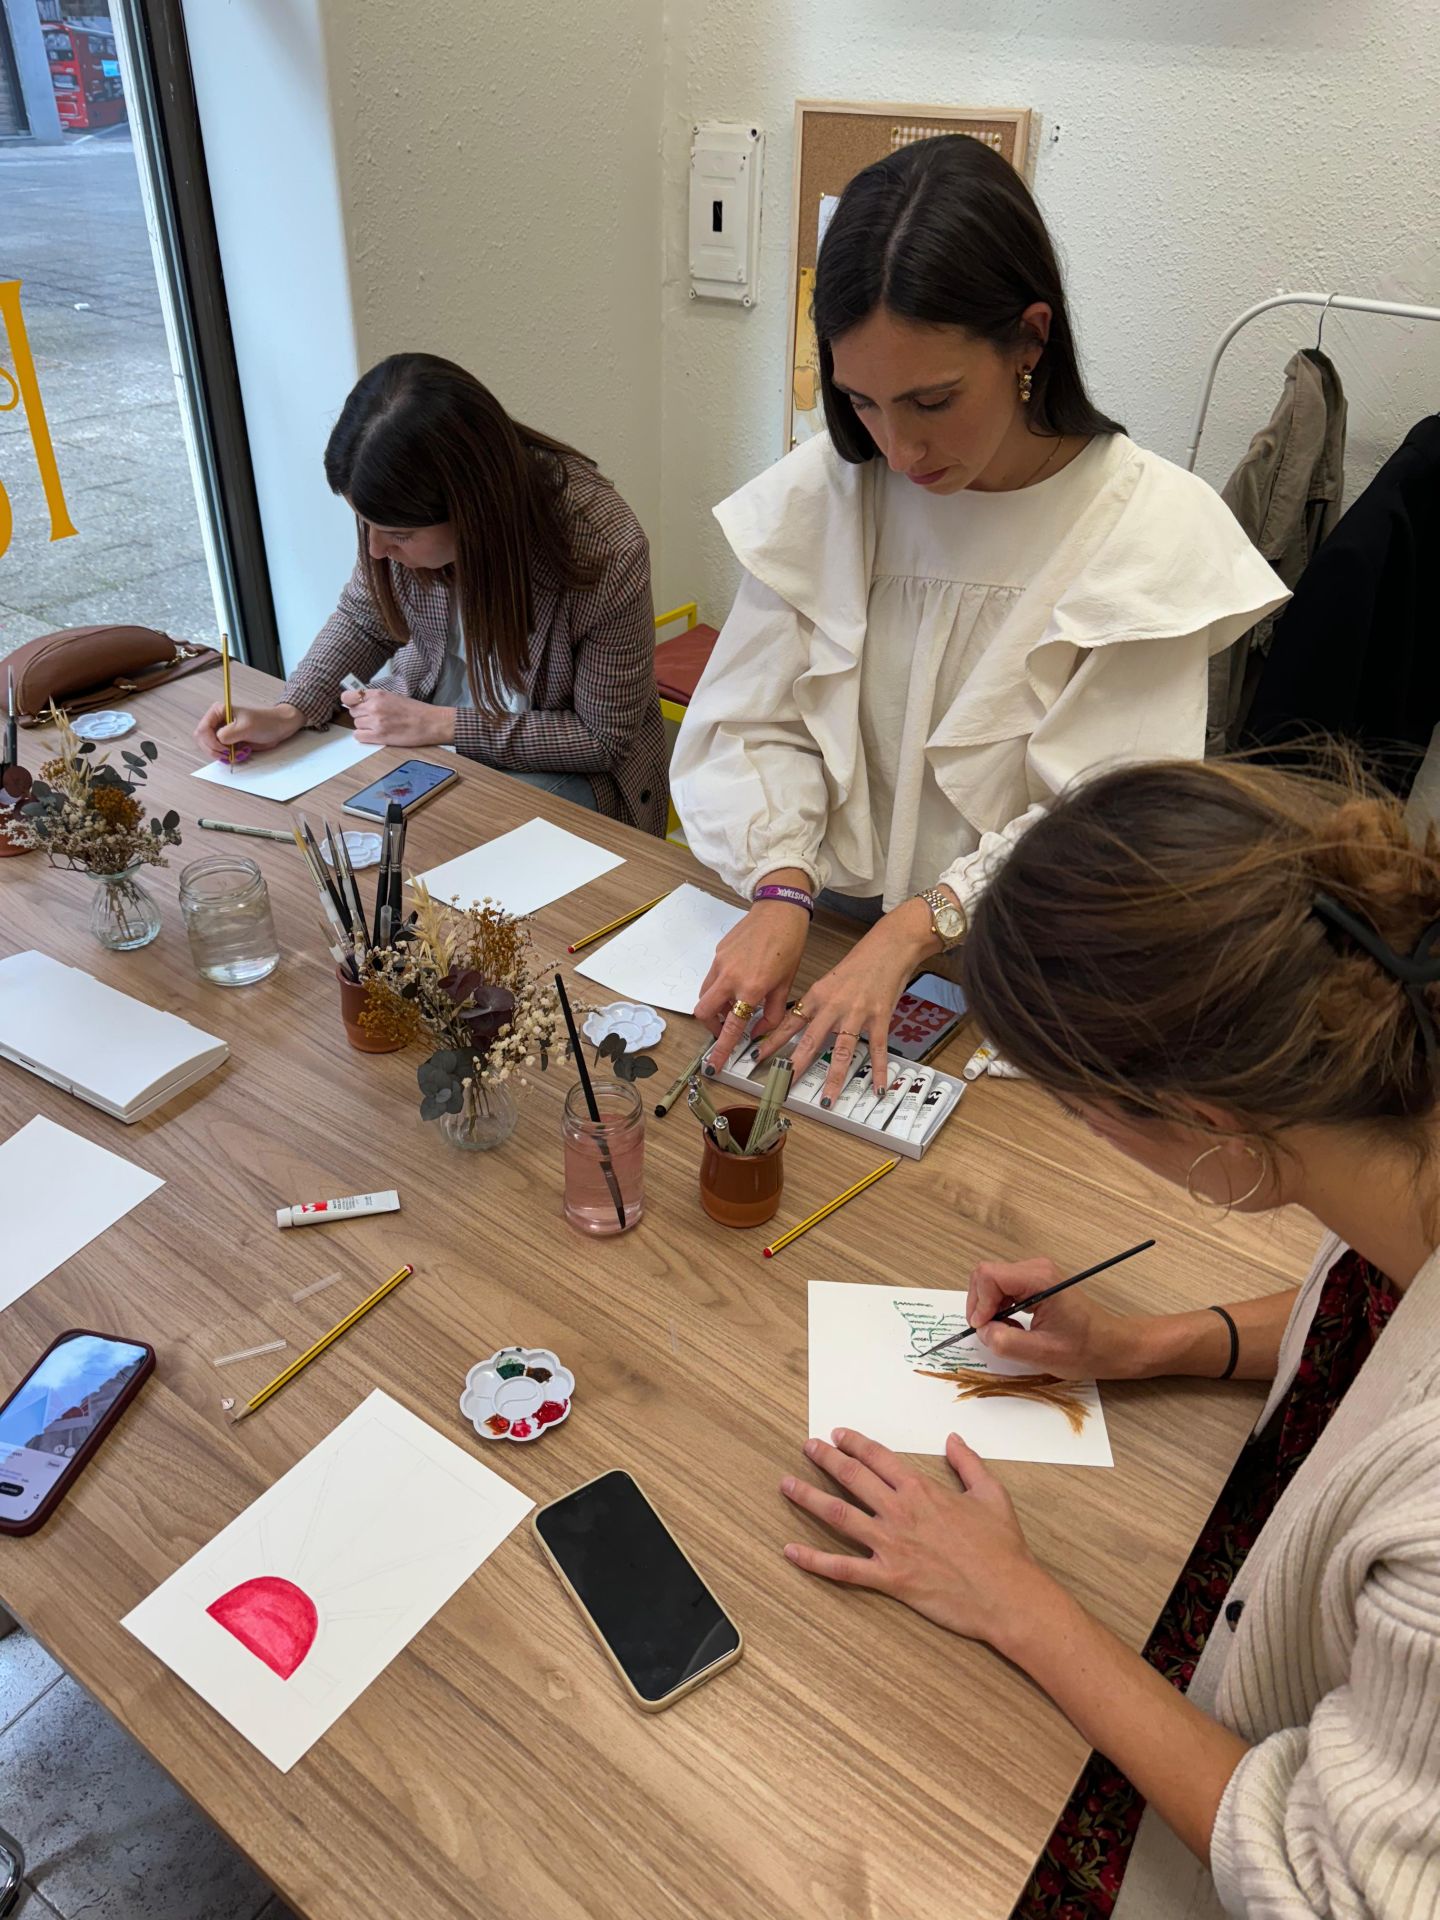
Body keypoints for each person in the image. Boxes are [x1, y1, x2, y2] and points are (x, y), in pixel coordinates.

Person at [780, 754, 1440, 1918]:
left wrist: (1014, 1599)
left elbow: (1338, 1888)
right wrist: (1140, 1348)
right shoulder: (1402, 1128)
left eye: (1080, 1112)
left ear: (1204, 1126)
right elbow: (1379, 1307)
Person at [673, 136, 1286, 1103]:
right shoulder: (838, 493)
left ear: (1030, 340)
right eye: (862, 401)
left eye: (933, 399)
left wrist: (921, 924)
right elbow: (756, 722)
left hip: (1032, 971)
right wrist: (782, 882)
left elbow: (1108, 817)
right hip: (828, 928)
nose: (900, 445)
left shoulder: (1142, 531)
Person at [195, 354, 668, 834]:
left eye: (397, 535)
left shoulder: (604, 550)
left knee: (435, 845)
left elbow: (599, 739)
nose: (377, 550)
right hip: (427, 727)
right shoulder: (393, 514)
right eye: (367, 527)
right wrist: (289, 710)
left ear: (472, 510)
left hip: (568, 766)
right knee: (330, 822)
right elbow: (364, 618)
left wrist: (441, 725)